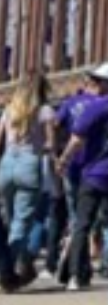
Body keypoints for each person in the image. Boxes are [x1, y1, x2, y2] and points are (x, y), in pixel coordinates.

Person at [57, 62, 108, 290]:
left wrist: (63, 160)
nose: (94, 84)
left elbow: (77, 139)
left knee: (82, 224)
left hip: (94, 173)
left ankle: (75, 276)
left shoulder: (95, 107)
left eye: (98, 81)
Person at [0, 71, 56, 290]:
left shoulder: (8, 110)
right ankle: (7, 270)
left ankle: (19, 266)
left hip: (6, 165)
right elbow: (50, 145)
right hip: (29, 164)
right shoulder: (45, 111)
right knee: (21, 224)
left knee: (10, 219)